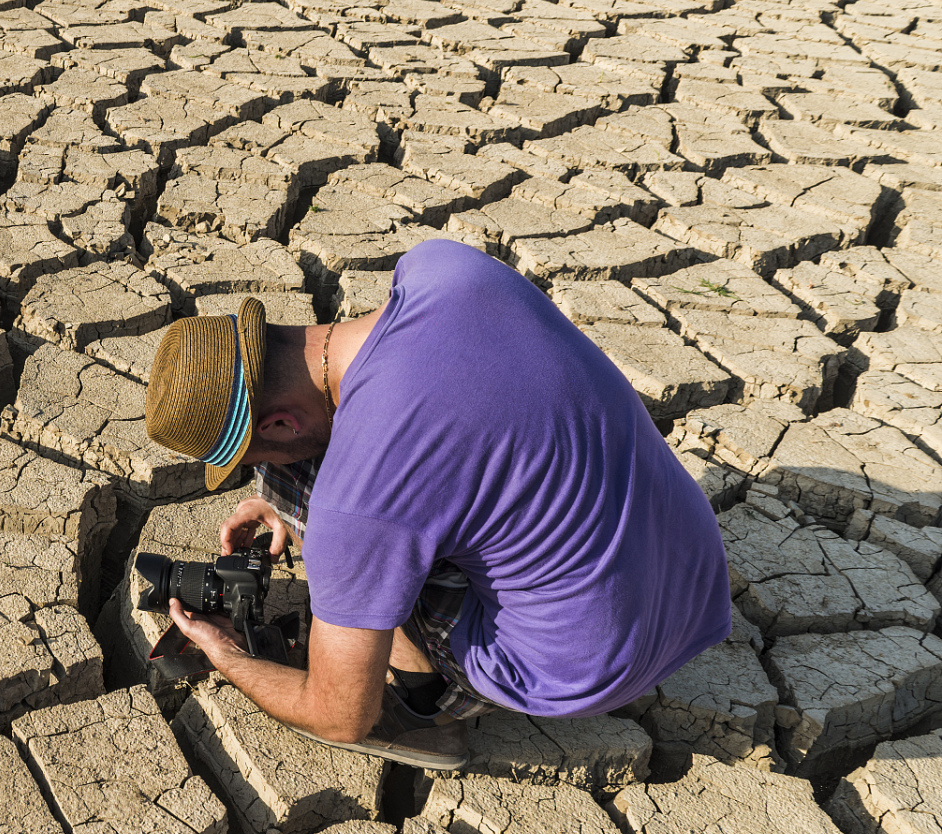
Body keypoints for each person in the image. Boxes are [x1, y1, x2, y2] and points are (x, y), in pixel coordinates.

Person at [141, 238, 731, 769]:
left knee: (323, 521)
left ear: (280, 422)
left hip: (585, 664)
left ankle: (420, 701)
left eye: (259, 453)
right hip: (692, 575)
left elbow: (340, 716)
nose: (266, 468)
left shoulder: (359, 501)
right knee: (332, 505)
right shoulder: (444, 267)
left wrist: (229, 656)